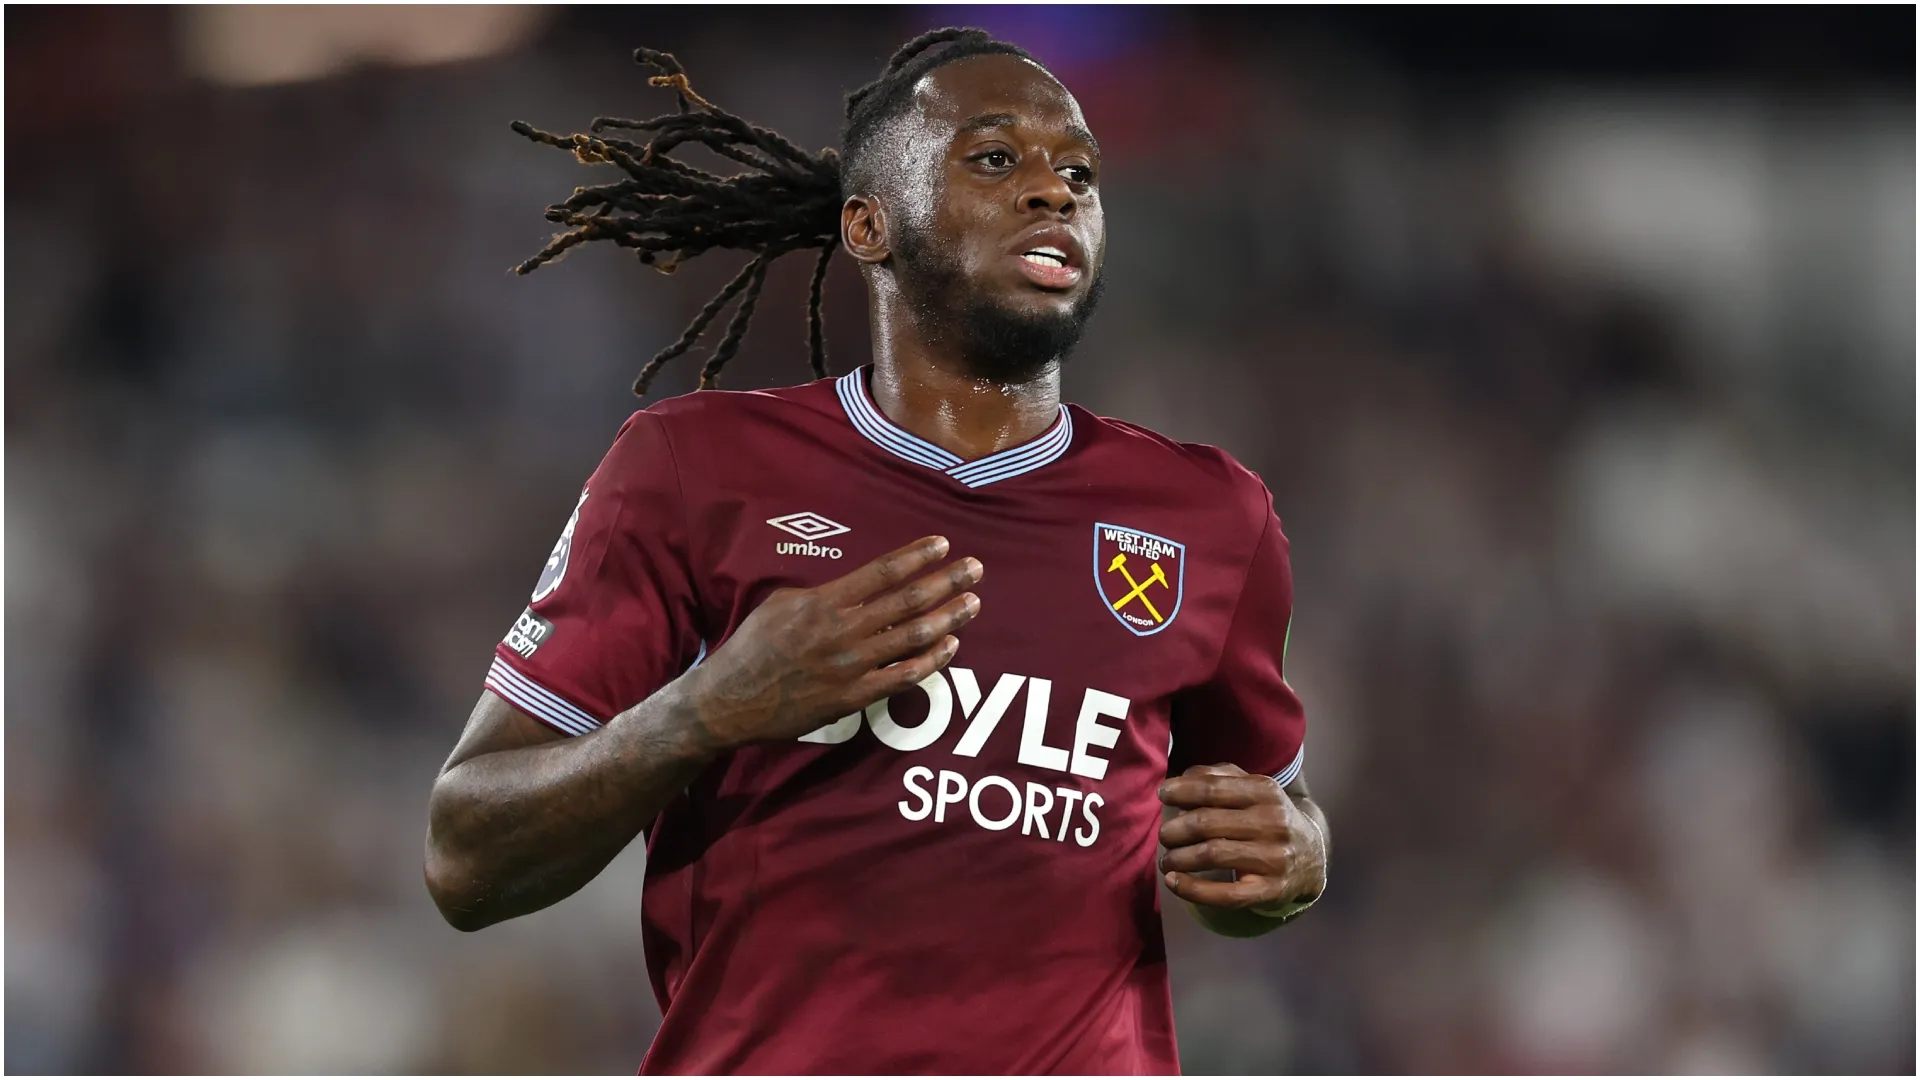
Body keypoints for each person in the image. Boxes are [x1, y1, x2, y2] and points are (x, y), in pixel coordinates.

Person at [425, 28, 1329, 1074]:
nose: (1054, 192)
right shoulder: (694, 467)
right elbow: (464, 857)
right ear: (869, 225)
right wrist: (704, 710)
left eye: (1078, 170)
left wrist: (1296, 860)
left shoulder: (1211, 517)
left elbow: (1267, 833)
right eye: (996, 159)